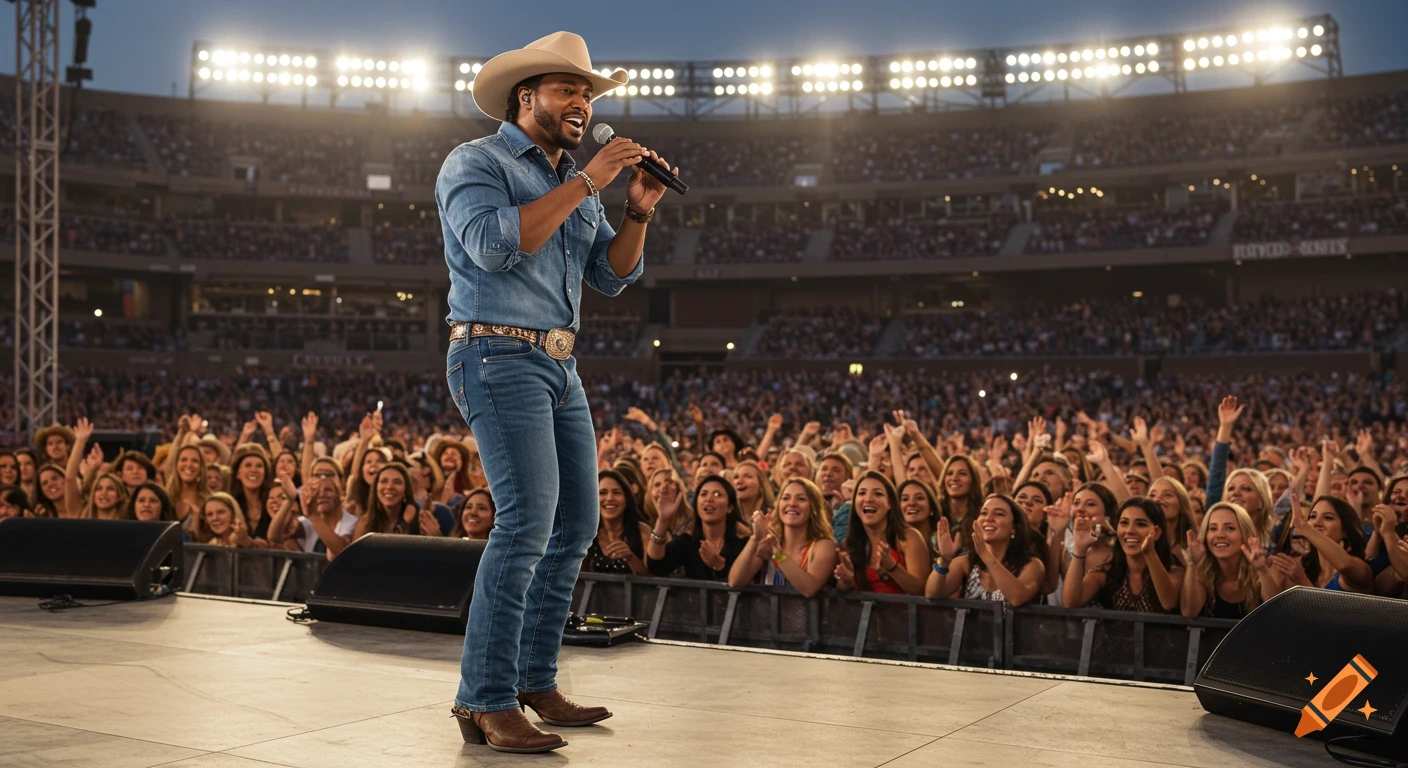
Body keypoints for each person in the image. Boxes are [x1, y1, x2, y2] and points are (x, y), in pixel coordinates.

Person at [439, 30, 674, 752]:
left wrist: (636, 209)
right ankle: (484, 698)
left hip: (560, 365)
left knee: (575, 525)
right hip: (495, 354)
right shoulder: (476, 163)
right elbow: (494, 245)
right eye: (569, 90)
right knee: (526, 523)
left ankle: (535, 681)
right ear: (526, 96)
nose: (582, 103)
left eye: (589, 92)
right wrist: (590, 181)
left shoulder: (577, 176)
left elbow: (610, 274)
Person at [1065, 498, 1184, 613]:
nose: (1130, 530)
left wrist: (1150, 553)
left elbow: (1169, 603)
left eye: (1141, 524)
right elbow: (1070, 603)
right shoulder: (1106, 574)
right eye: (1124, 523)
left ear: (1157, 532)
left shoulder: (1174, 571)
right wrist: (1080, 549)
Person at [926, 494, 1046, 607]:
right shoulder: (965, 563)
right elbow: (932, 594)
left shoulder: (1032, 565)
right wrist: (945, 560)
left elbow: (1017, 598)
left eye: (999, 514)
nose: (988, 518)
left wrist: (986, 555)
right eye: (983, 513)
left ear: (1014, 528)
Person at [729, 477, 838, 597]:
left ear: (813, 508)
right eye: (785, 498)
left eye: (801, 499)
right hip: (768, 615)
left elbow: (809, 588)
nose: (792, 503)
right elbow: (735, 581)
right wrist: (755, 538)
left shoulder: (824, 546)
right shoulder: (768, 542)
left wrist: (778, 555)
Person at [833, 472, 929, 595]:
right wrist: (847, 581)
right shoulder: (849, 544)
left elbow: (921, 590)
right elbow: (841, 597)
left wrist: (892, 568)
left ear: (890, 503)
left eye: (878, 493)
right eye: (862, 493)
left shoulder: (908, 537)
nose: (868, 499)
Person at [1179, 502, 1276, 619]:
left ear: (1245, 534)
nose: (1219, 535)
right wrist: (1192, 564)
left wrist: (1262, 570)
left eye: (1230, 528)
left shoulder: (1266, 570)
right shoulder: (1201, 573)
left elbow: (1276, 610)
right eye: (1213, 528)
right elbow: (1189, 612)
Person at [646, 475, 749, 580]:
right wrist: (662, 521)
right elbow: (656, 567)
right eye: (703, 494)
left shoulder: (743, 545)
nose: (709, 499)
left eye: (717, 494)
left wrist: (719, 565)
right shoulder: (687, 542)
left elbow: (745, 583)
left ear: (730, 507)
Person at [582, 470, 651, 575]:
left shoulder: (643, 530)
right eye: (602, 493)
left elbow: (651, 579)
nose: (609, 498)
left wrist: (630, 558)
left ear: (626, 498)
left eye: (616, 493)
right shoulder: (586, 533)